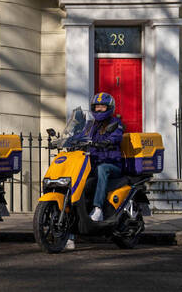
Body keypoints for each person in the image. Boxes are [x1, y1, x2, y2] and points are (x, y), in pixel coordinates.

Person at [65, 92, 124, 251]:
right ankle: (69, 234)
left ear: (109, 108)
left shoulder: (115, 123)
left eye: (102, 107)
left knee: (102, 169)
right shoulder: (90, 125)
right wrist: (69, 140)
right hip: (92, 163)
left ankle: (98, 209)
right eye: (96, 107)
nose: (99, 110)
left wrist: (107, 141)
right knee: (78, 186)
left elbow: (117, 137)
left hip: (111, 164)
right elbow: (80, 135)